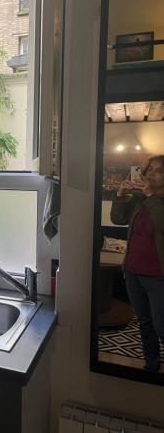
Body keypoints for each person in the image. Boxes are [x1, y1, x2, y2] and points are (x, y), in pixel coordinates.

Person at [110, 155, 164, 372]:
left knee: (161, 325)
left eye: (159, 171)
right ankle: (151, 363)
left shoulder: (154, 199)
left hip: (158, 275)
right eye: (150, 170)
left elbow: (160, 223)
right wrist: (121, 194)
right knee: (144, 321)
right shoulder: (139, 198)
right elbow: (118, 218)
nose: (152, 174)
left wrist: (150, 194)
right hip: (132, 270)